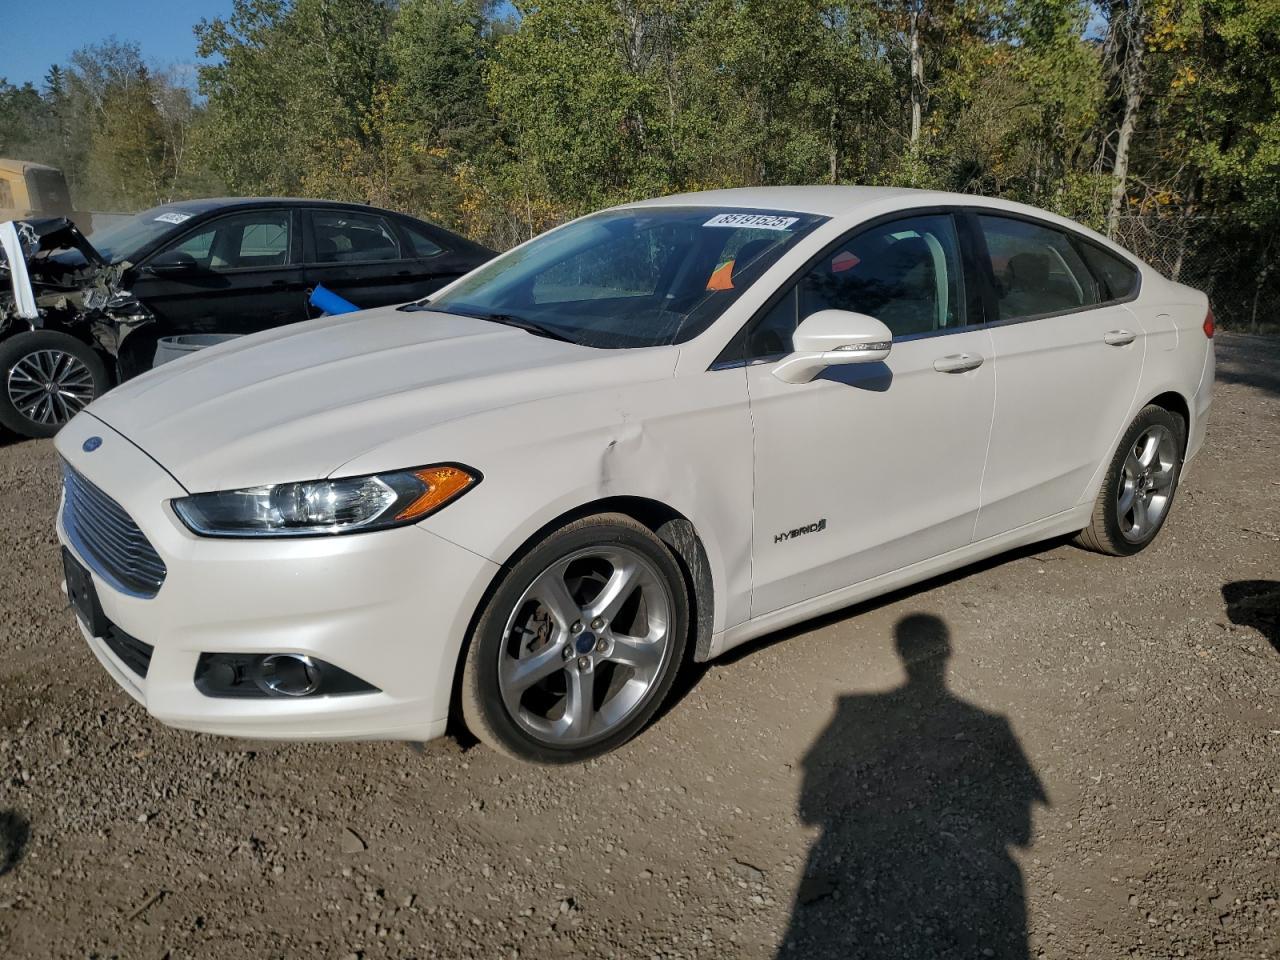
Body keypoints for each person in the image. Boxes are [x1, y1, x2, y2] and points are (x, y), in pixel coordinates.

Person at [778, 613, 1047, 959]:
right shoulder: (992, 727)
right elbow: (1022, 834)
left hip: (858, 899)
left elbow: (807, 811)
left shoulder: (851, 712)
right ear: (948, 654)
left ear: (898, 651)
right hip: (960, 897)